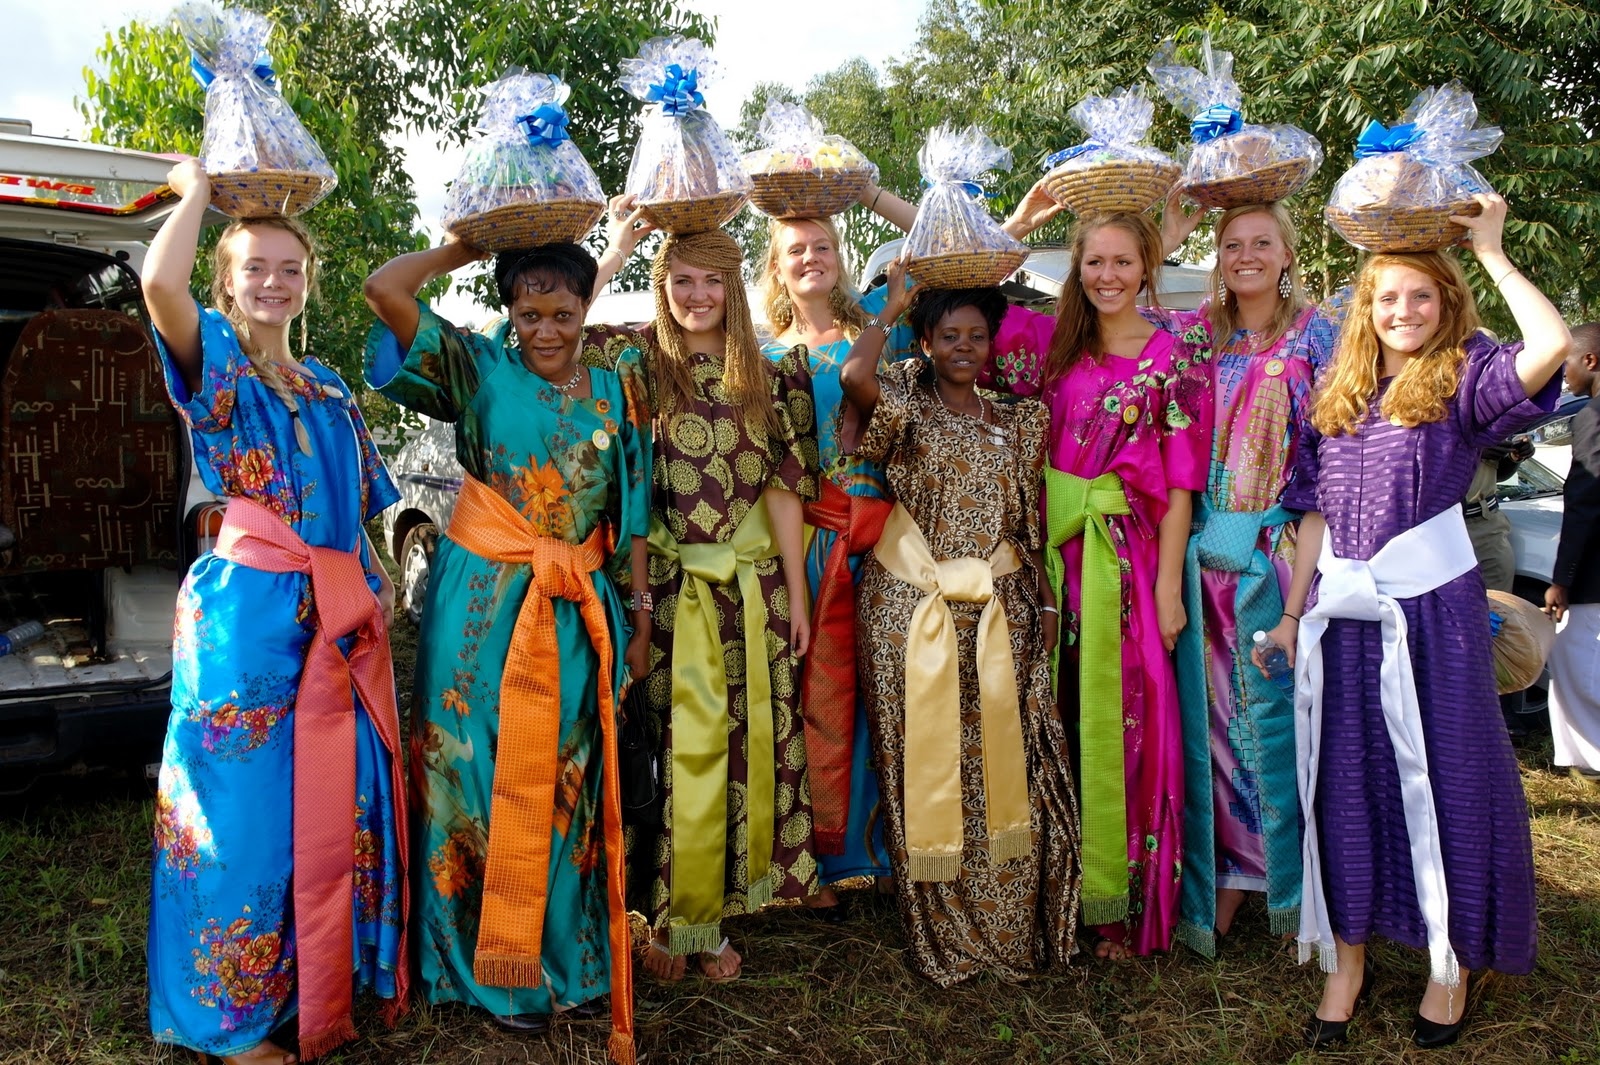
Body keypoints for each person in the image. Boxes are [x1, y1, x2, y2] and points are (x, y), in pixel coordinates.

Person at [1256, 194, 1568, 1049]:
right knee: (1346, 779)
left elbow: (1550, 350)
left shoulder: (1465, 374)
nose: (1404, 312)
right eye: (1388, 297)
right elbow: (1310, 514)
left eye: (1422, 296)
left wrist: (1495, 252)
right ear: (1366, 304)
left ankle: (1451, 959)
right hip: (1343, 618)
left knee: (1451, 773)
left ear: (1448, 302)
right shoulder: (1338, 389)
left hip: (1434, 617)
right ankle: (1347, 958)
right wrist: (1291, 615)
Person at [143, 160, 406, 1065]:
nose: (272, 283)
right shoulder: (213, 361)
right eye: (253, 267)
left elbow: (359, 510)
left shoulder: (327, 386)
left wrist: (377, 586)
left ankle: (308, 983)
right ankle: (231, 1024)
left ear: (309, 281)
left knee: (323, 810)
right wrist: (194, 195)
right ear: (227, 280)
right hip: (244, 628)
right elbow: (155, 282)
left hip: (332, 614)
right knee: (239, 823)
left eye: (288, 268)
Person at [362, 237, 650, 1060]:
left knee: (567, 769)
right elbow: (385, 288)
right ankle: (479, 968)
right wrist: (462, 246)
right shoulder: (477, 367)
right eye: (530, 313)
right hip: (482, 606)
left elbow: (629, 510)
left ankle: (562, 957)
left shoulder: (614, 386)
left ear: (587, 310)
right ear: (510, 312)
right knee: (471, 768)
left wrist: (637, 607)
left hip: (576, 606)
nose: (547, 330)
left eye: (563, 313)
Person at [982, 209, 1214, 959]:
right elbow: (968, 285)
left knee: (1129, 722)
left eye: (1123, 262)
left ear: (1150, 266)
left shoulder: (1176, 354)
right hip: (1053, 559)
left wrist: (1171, 589)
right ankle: (1059, 893)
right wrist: (1025, 216)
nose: (1107, 276)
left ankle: (1122, 906)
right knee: (1053, 713)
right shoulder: (1048, 344)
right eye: (1093, 262)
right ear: (1073, 267)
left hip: (1128, 560)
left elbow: (1180, 486)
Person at [838, 269, 1080, 985]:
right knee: (928, 765)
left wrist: (1038, 604)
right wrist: (894, 306)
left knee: (1006, 762)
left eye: (976, 336)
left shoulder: (1021, 418)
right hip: (911, 611)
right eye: (950, 336)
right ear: (927, 342)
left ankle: (1007, 930)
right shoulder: (907, 409)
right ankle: (943, 937)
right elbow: (855, 372)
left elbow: (1027, 525)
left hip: (1000, 611)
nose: (965, 348)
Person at [625, 229, 819, 983]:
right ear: (661, 285)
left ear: (735, 288)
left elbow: (784, 494)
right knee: (683, 750)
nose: (697, 295)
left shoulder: (772, 376)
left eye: (712, 281)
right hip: (677, 597)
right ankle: (679, 922)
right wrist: (641, 607)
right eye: (682, 281)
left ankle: (718, 905)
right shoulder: (640, 370)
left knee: (746, 747)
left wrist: (796, 598)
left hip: (753, 594)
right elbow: (635, 497)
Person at [1147, 200, 1339, 956]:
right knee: (1215, 729)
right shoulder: (1197, 335)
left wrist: (1299, 592)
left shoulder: (1320, 334)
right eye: (1232, 244)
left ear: (1288, 253)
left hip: (1283, 559)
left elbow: (1328, 460)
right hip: (1202, 564)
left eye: (1263, 243)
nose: (1247, 255)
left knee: (1287, 727)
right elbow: (1123, 299)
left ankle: (1299, 885)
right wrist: (1171, 228)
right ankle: (1227, 876)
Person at [756, 214, 919, 916]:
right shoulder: (763, 360)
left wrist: (876, 194)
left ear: (841, 256)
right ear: (776, 267)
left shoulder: (885, 331)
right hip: (816, 537)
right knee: (817, 694)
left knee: (894, 683)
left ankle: (888, 850)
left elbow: (942, 248)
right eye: (796, 250)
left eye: (823, 246)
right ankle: (825, 856)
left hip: (889, 534)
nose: (812, 258)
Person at [1545, 321, 1600, 780]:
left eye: (1566, 362)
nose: (1563, 375)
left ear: (1590, 360)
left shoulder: (1593, 416)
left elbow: (1585, 502)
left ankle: (1591, 760)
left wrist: (1562, 579)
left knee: (1577, 666)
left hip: (1594, 578)